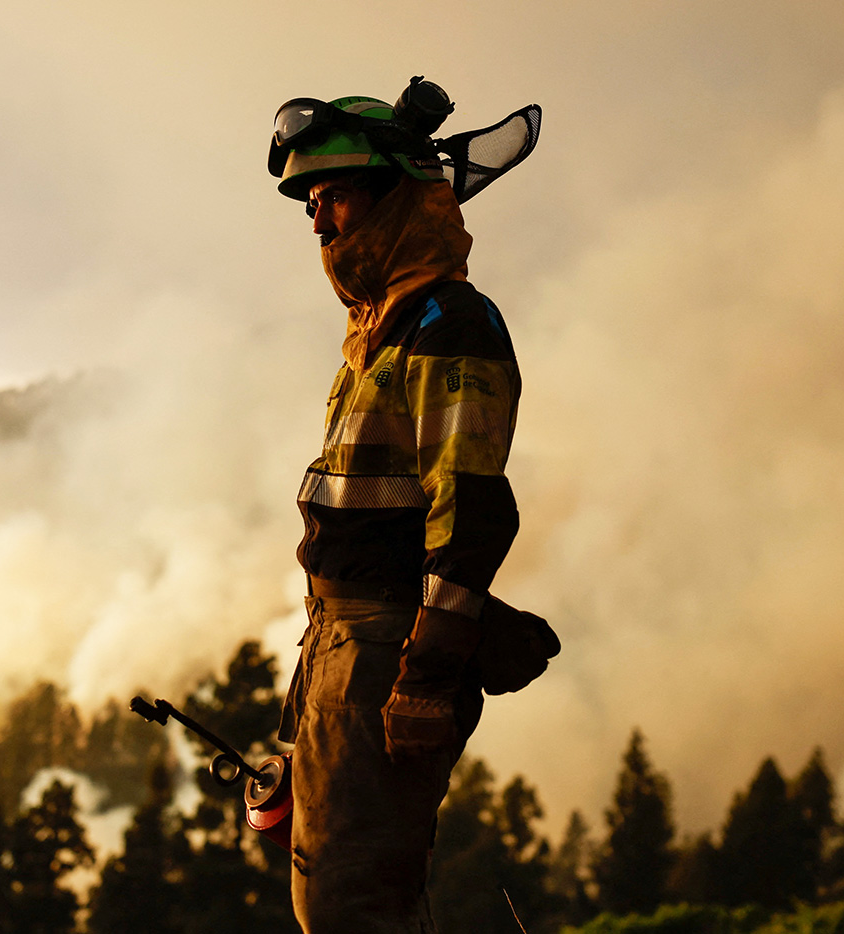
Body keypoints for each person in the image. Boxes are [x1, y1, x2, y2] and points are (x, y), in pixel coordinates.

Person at [267, 86, 537, 933]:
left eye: (336, 196)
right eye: (313, 205)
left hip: (390, 655)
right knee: (328, 894)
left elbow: (470, 517)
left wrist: (424, 676)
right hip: (339, 652)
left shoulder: (447, 324)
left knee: (356, 906)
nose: (320, 225)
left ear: (400, 195)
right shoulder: (373, 335)